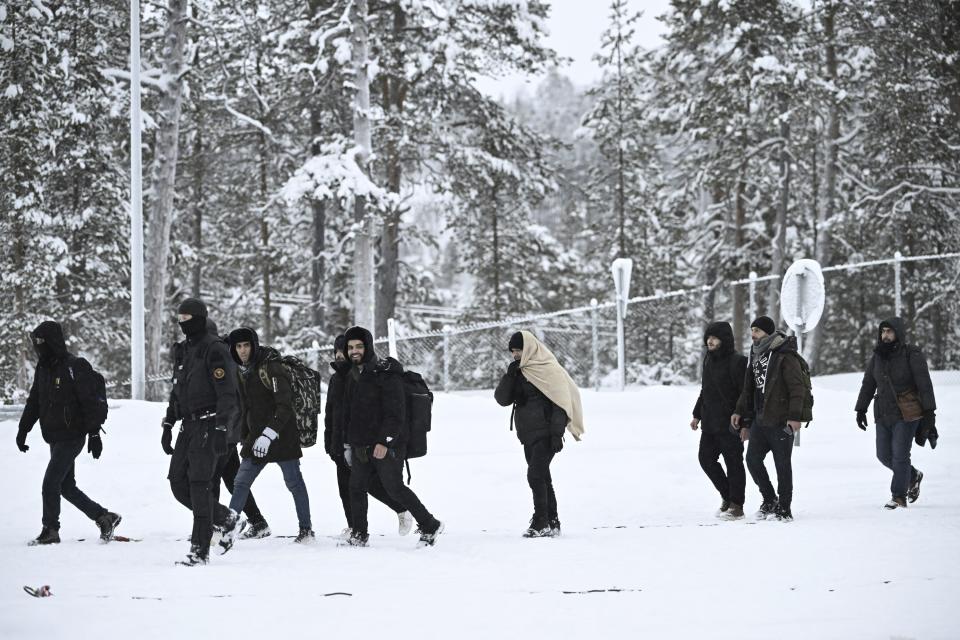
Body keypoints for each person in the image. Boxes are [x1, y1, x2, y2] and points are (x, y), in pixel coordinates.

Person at [163, 319, 271, 542]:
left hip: (222, 431)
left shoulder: (218, 358)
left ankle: (216, 525)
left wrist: (229, 431)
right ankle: (255, 522)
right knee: (229, 479)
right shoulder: (211, 357)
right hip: (227, 432)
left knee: (208, 479)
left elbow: (232, 401)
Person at [16, 321, 121, 545]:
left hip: (73, 435)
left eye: (42, 342)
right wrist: (23, 429)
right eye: (36, 343)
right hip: (54, 436)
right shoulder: (43, 368)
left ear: (53, 341)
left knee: (50, 482)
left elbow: (89, 403)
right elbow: (35, 401)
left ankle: (51, 530)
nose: (38, 347)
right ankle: (104, 517)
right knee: (65, 486)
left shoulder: (75, 366)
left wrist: (94, 434)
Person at [341, 326, 443, 547]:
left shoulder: (385, 373)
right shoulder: (351, 375)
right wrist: (348, 444)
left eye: (359, 346)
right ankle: (359, 534)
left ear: (367, 347)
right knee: (356, 487)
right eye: (350, 347)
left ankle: (430, 524)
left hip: (387, 444)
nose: (354, 351)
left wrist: (384, 441)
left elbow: (396, 413)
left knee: (394, 488)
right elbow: (350, 414)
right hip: (360, 444)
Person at [218, 328, 314, 550]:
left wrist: (269, 435)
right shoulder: (241, 370)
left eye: (246, 345)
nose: (242, 351)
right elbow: (246, 408)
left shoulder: (272, 367)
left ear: (254, 345)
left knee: (294, 483)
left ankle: (306, 530)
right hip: (255, 438)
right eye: (238, 346)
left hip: (282, 436)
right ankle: (230, 529)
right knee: (240, 482)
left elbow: (285, 406)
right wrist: (246, 436)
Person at [168, 298, 240, 566]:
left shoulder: (215, 349)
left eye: (187, 318)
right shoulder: (184, 350)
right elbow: (178, 390)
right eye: (180, 318)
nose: (182, 323)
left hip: (210, 424)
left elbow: (227, 394)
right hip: (188, 425)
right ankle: (225, 518)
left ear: (198, 318)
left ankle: (199, 551)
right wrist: (168, 422)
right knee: (178, 482)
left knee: (199, 485)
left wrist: (223, 427)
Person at [494, 331, 584, 537]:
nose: (515, 354)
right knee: (543, 477)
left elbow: (560, 403)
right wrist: (511, 375)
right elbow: (502, 399)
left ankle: (541, 521)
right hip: (527, 434)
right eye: (513, 351)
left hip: (546, 433)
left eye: (518, 350)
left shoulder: (549, 369)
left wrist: (556, 433)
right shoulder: (519, 371)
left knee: (535, 476)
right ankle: (552, 521)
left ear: (530, 348)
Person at [323, 335, 412, 538]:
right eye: (336, 351)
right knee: (345, 489)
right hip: (339, 444)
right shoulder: (337, 378)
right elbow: (331, 414)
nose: (338, 355)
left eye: (341, 351)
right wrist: (330, 443)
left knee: (369, 485)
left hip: (357, 443)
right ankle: (354, 527)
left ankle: (400, 510)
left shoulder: (358, 377)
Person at [855, 317, 937, 509]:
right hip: (883, 413)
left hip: (907, 413)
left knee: (900, 455)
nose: (885, 335)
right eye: (883, 331)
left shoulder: (912, 354)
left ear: (898, 333)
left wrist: (930, 414)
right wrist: (861, 408)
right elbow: (868, 383)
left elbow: (925, 385)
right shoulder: (877, 356)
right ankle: (913, 475)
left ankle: (899, 497)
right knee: (883, 455)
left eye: (889, 331)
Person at [732, 316, 805, 522]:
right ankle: (770, 499)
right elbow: (748, 389)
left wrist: (794, 417)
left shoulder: (784, 354)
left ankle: (784, 508)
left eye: (757, 330)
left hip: (781, 420)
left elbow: (796, 388)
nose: (753, 334)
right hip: (760, 420)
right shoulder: (755, 354)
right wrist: (740, 412)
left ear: (768, 333)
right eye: (752, 330)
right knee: (753, 461)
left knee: (782, 465)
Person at [690, 321, 747, 519]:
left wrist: (745, 423)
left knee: (734, 464)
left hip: (731, 424)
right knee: (705, 459)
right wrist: (697, 414)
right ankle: (727, 496)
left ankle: (737, 505)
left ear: (724, 339)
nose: (710, 341)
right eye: (708, 337)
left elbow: (745, 395)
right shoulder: (709, 359)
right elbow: (705, 390)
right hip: (710, 422)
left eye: (714, 337)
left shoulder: (738, 361)